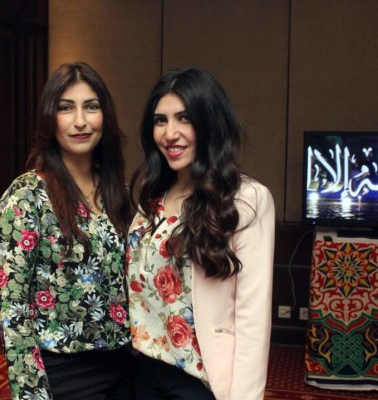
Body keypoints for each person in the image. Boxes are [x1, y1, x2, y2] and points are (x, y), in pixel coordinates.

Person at [127, 67, 275, 400]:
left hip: (200, 380)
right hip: (145, 373)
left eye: (185, 118)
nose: (170, 133)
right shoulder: (152, 198)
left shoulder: (246, 200)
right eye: (160, 121)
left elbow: (253, 318)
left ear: (209, 123)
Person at [0, 62, 134, 400]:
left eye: (91, 106)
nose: (80, 121)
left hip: (126, 368)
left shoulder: (118, 192)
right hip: (64, 374)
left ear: (105, 116)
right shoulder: (26, 196)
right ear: (49, 119)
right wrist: (31, 392)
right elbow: (11, 308)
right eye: (66, 108)